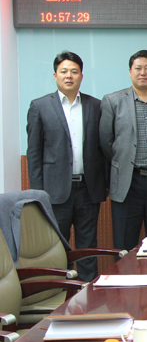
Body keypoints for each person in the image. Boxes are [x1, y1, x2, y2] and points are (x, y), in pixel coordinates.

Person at [26, 51, 106, 281]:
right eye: (64, 71)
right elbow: (34, 153)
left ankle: (87, 290)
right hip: (54, 191)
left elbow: (103, 149)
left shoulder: (96, 106)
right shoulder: (40, 106)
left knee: (88, 246)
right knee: (57, 247)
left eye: (74, 71)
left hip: (88, 189)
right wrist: (38, 193)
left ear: (81, 76)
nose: (69, 76)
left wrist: (104, 185)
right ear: (55, 75)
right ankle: (61, 291)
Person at [99, 50, 147, 251]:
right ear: (130, 71)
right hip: (127, 183)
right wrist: (122, 163)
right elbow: (106, 142)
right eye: (138, 68)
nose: (143, 72)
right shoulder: (112, 101)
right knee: (124, 246)